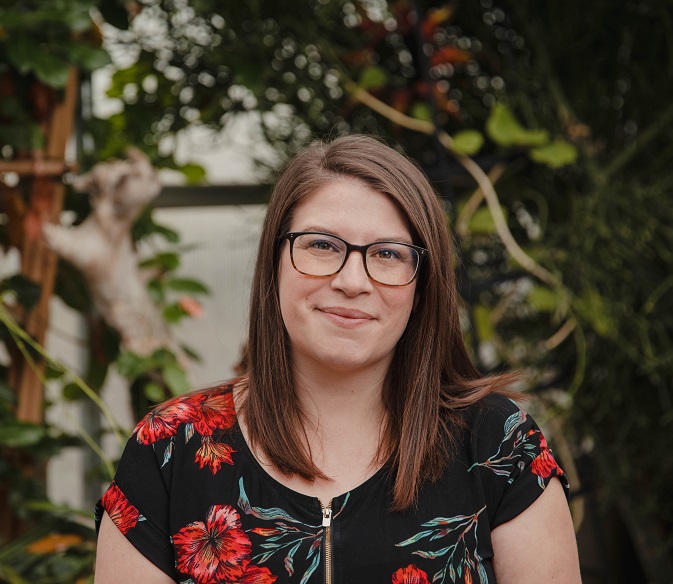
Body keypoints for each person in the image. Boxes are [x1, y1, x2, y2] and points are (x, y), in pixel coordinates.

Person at [94, 135, 581, 583]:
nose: (353, 280)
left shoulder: (498, 446)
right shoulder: (171, 449)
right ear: (275, 261)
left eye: (388, 254)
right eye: (323, 245)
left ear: (423, 282)